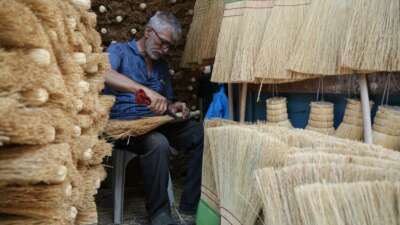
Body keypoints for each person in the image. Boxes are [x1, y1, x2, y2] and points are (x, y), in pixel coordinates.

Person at [103, 11, 203, 225]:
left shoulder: (161, 66)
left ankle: (188, 207)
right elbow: (104, 73)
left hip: (155, 123)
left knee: (198, 132)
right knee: (158, 143)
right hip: (126, 127)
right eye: (163, 43)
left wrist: (173, 107)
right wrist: (142, 89)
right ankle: (159, 215)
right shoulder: (119, 50)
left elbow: (165, 102)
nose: (165, 50)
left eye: (169, 46)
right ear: (148, 32)